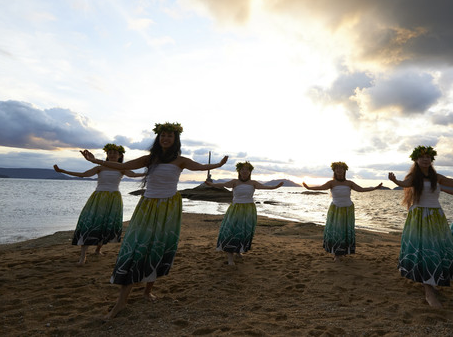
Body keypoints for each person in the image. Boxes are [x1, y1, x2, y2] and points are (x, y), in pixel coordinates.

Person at [80, 122, 228, 320]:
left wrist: (217, 165)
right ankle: (120, 303)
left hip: (169, 208)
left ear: (176, 139)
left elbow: (200, 167)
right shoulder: (150, 159)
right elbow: (123, 166)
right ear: (159, 138)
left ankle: (147, 290)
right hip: (147, 206)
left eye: (170, 136)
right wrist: (96, 161)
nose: (165, 138)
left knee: (159, 247)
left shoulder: (180, 161)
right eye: (162, 135)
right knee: (135, 248)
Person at [387, 146, 453, 308]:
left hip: (436, 216)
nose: (425, 159)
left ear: (432, 160)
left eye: (428, 157)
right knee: (424, 249)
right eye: (422, 157)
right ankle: (428, 289)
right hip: (419, 217)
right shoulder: (413, 177)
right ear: (416, 160)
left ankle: (431, 281)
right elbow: (404, 183)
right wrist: (395, 181)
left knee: (436, 249)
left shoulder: (437, 177)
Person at [53, 144, 142, 265]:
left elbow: (134, 175)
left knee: (106, 224)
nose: (112, 154)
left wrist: (152, 173)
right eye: (109, 152)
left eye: (115, 153)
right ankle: (83, 256)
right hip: (99, 197)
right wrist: (63, 171)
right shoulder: (100, 168)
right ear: (107, 155)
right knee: (91, 223)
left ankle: (98, 249)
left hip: (114, 198)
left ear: (120, 155)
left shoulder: (122, 168)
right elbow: (83, 175)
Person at [205, 161, 283, 265]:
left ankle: (239, 251)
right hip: (236, 209)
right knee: (231, 231)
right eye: (242, 169)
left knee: (244, 232)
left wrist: (275, 187)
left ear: (250, 171)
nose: (244, 171)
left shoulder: (253, 183)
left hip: (249, 210)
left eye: (247, 169)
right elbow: (222, 184)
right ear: (239, 171)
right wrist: (211, 184)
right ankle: (230, 258)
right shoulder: (234, 182)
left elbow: (265, 187)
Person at [303, 162, 383, 262]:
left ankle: (344, 251)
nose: (339, 170)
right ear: (334, 171)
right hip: (336, 209)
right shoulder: (331, 183)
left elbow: (361, 189)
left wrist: (375, 188)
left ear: (345, 171)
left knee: (345, 231)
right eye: (337, 169)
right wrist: (309, 188)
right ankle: (337, 254)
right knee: (337, 231)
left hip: (348, 209)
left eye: (341, 169)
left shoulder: (349, 183)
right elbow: (320, 187)